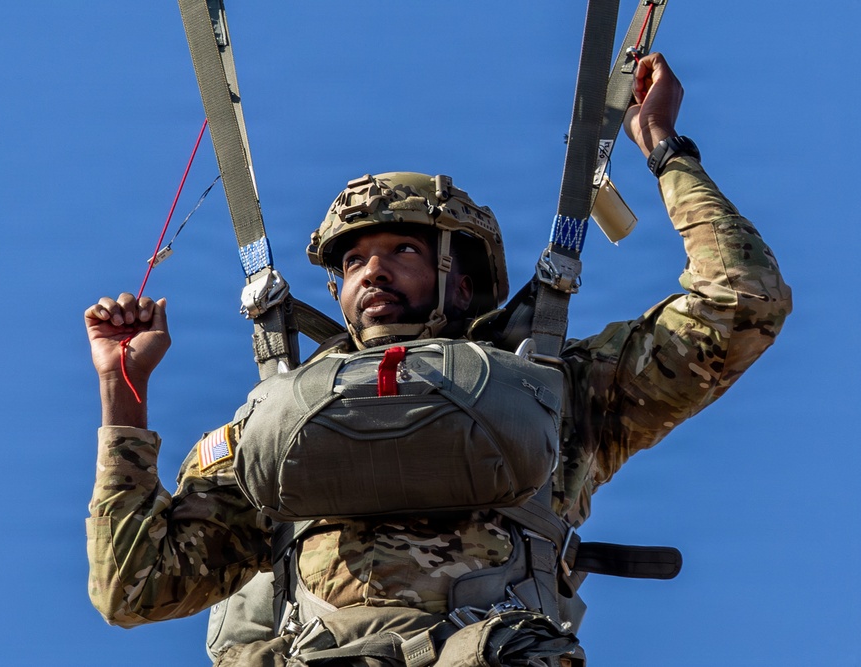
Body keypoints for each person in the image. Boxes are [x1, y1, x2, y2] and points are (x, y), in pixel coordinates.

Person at [84, 54, 791, 666]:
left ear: (462, 276)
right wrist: (124, 391)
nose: (371, 273)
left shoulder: (563, 388)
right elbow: (134, 586)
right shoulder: (273, 425)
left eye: (403, 251)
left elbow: (743, 301)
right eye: (355, 260)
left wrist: (665, 148)